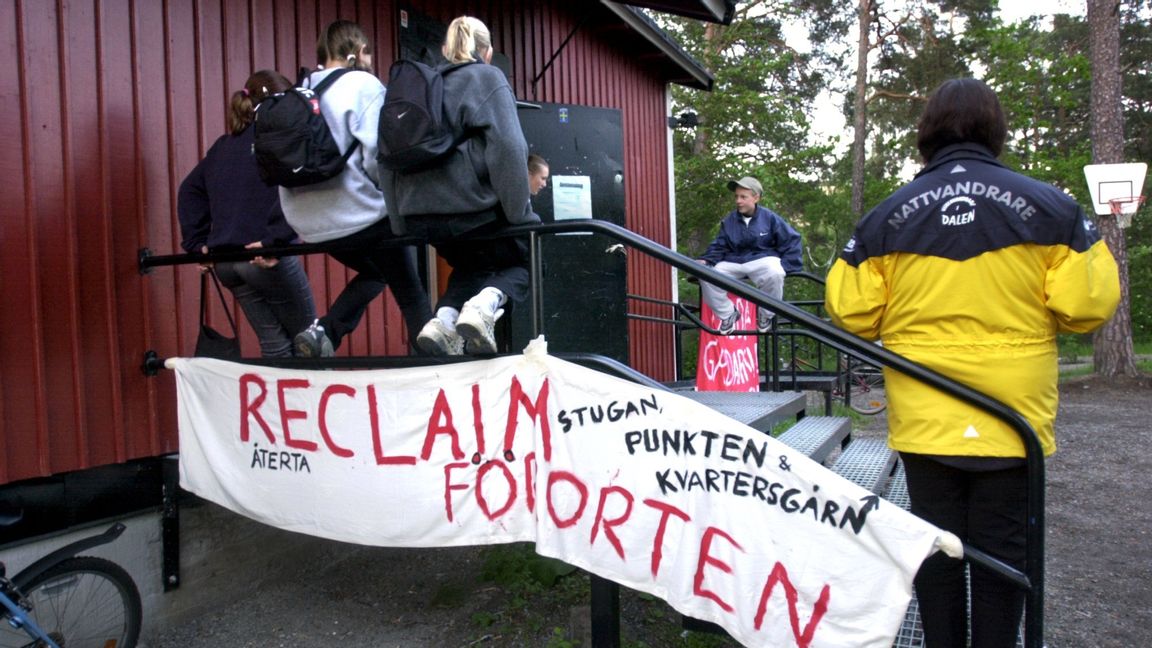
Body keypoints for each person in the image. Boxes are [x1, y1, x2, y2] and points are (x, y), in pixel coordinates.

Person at [824, 78, 1120, 648]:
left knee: (935, 547)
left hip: (925, 413)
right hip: (1012, 415)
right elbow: (1086, 306)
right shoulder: (1053, 209)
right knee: (1003, 553)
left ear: (927, 133)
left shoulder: (886, 218)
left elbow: (852, 310)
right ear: (995, 128)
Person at [380, 16, 539, 356]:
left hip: (422, 216)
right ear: (488, 52)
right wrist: (518, 212)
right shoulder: (487, 77)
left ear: (444, 51)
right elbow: (509, 147)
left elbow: (385, 156)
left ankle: (444, 321)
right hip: (473, 208)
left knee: (472, 266)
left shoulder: (419, 88)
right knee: (524, 260)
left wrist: (398, 222)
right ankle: (484, 307)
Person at [284, 20, 432, 357]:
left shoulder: (299, 90)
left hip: (310, 224)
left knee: (376, 272)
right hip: (358, 213)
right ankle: (439, 371)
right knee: (411, 294)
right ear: (356, 51)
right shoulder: (363, 85)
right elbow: (378, 157)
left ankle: (325, 332)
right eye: (367, 51)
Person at [178, 70, 317, 358]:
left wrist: (197, 243)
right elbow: (294, 188)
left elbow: (189, 190)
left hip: (227, 261)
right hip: (264, 256)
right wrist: (276, 240)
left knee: (275, 344)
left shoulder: (223, 147)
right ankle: (319, 403)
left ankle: (281, 405)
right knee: (312, 341)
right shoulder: (280, 140)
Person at [696, 177, 803, 334]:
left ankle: (766, 315)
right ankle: (728, 314)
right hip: (734, 261)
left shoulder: (770, 218)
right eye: (736, 196)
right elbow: (720, 244)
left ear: (756, 197)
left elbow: (792, 240)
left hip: (762, 260)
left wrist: (788, 266)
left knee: (776, 272)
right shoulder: (730, 221)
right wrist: (706, 260)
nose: (738, 201)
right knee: (705, 274)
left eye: (743, 197)